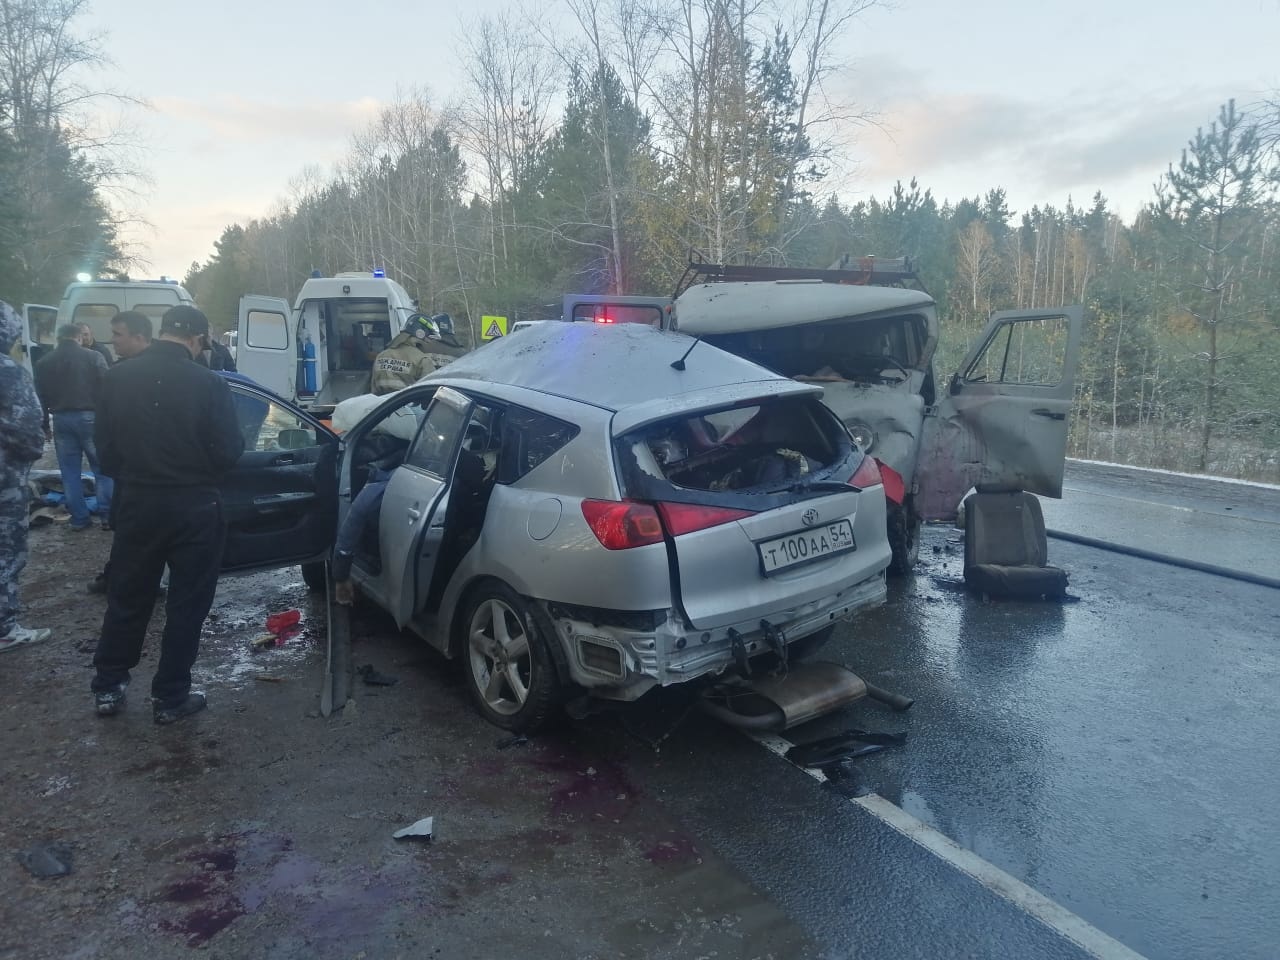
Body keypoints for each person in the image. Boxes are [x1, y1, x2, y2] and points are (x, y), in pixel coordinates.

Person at [90, 305, 244, 724]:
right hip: (194, 506)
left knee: (128, 595)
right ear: (195, 339)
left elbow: (103, 449)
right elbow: (229, 451)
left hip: (138, 501)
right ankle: (170, 696)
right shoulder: (209, 383)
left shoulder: (118, 376)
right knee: (186, 603)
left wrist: (136, 476)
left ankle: (109, 685)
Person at [87, 311, 154, 594]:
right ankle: (119, 576)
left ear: (139, 337)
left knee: (133, 533)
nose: (112, 340)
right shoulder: (119, 372)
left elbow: (105, 431)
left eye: (117, 334)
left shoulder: (124, 376)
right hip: (134, 474)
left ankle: (123, 579)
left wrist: (114, 466)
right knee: (131, 533)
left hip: (141, 475)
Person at [0, 302, 53, 652]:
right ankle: (5, 627)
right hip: (5, 480)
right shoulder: (10, 372)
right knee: (6, 551)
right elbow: (27, 430)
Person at [34, 323, 111, 530]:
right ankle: (107, 516)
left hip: (60, 419)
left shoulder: (43, 362)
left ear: (58, 339)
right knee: (103, 469)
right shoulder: (94, 357)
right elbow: (108, 390)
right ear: (78, 337)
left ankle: (79, 518)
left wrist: (44, 426)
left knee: (69, 472)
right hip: (91, 417)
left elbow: (39, 398)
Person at [370, 313, 462, 395]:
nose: (430, 341)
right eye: (429, 336)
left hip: (381, 408)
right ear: (420, 333)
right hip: (407, 409)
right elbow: (429, 392)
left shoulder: (381, 355)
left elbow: (373, 389)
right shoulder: (422, 359)